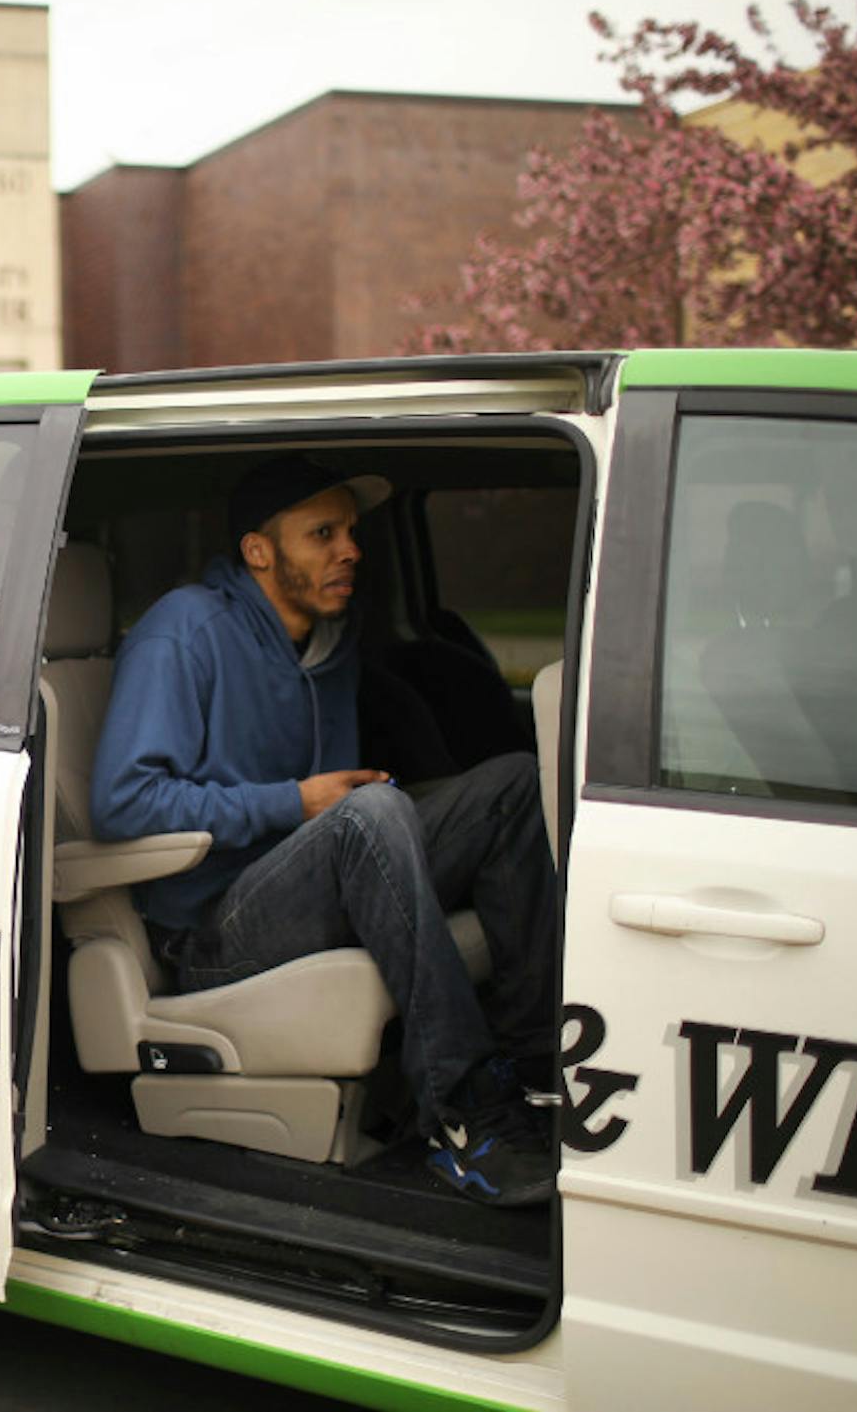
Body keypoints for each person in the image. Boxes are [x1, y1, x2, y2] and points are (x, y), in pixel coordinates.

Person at [88, 458, 560, 1208]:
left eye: (350, 531)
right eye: (323, 533)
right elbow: (123, 800)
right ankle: (465, 1113)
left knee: (510, 783)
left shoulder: (330, 644)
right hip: (210, 932)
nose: (350, 549)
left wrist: (347, 804)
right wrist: (293, 803)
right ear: (259, 551)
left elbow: (333, 808)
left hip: (305, 882)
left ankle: (538, 1074)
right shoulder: (185, 632)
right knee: (365, 818)